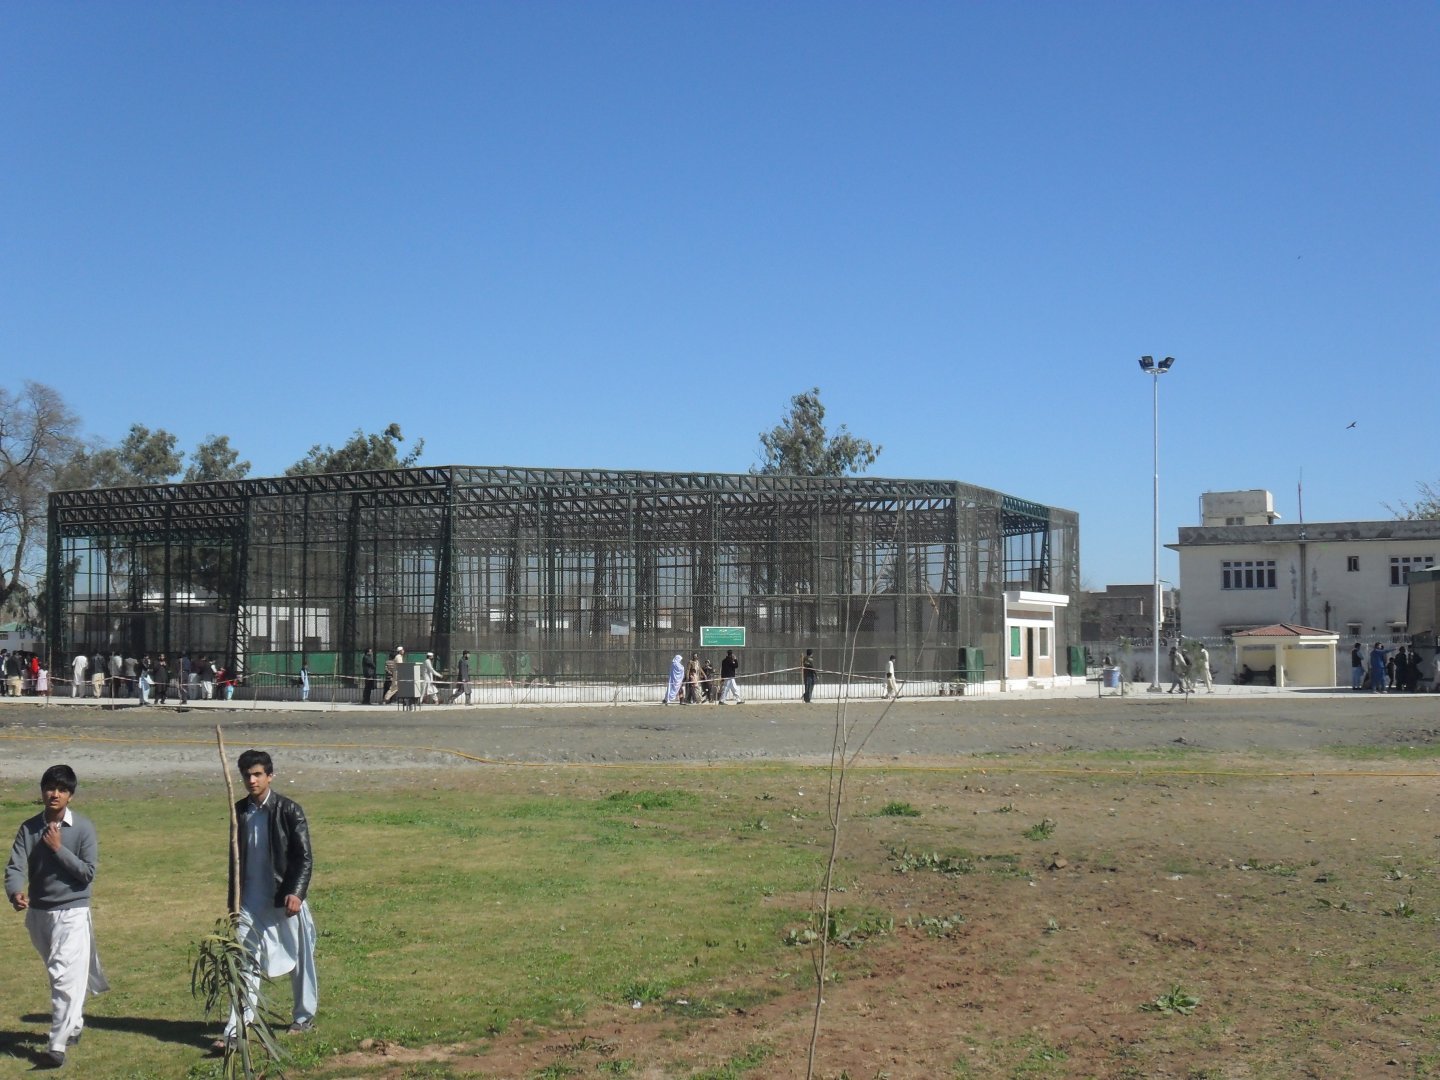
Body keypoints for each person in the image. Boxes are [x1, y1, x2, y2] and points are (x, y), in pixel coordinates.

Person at [5, 765, 109, 1068]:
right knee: (59, 974)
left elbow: (87, 873)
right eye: (50, 787)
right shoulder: (29, 828)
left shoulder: (83, 828)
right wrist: (15, 892)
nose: (55, 793)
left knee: (64, 976)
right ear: (42, 791)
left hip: (73, 911)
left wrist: (58, 849)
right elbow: (15, 865)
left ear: (70, 796)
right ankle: (73, 1023)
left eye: (62, 789)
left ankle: (56, 1045)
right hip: (39, 914)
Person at [218, 750, 318, 1052]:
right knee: (244, 961)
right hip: (249, 902)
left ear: (270, 775)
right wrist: (233, 901)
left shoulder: (289, 810)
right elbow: (236, 859)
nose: (252, 780)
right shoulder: (239, 811)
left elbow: (303, 857)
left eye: (258, 774)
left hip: (284, 900)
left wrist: (296, 893)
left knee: (300, 959)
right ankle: (236, 1028)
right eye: (247, 775)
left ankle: (304, 1016)